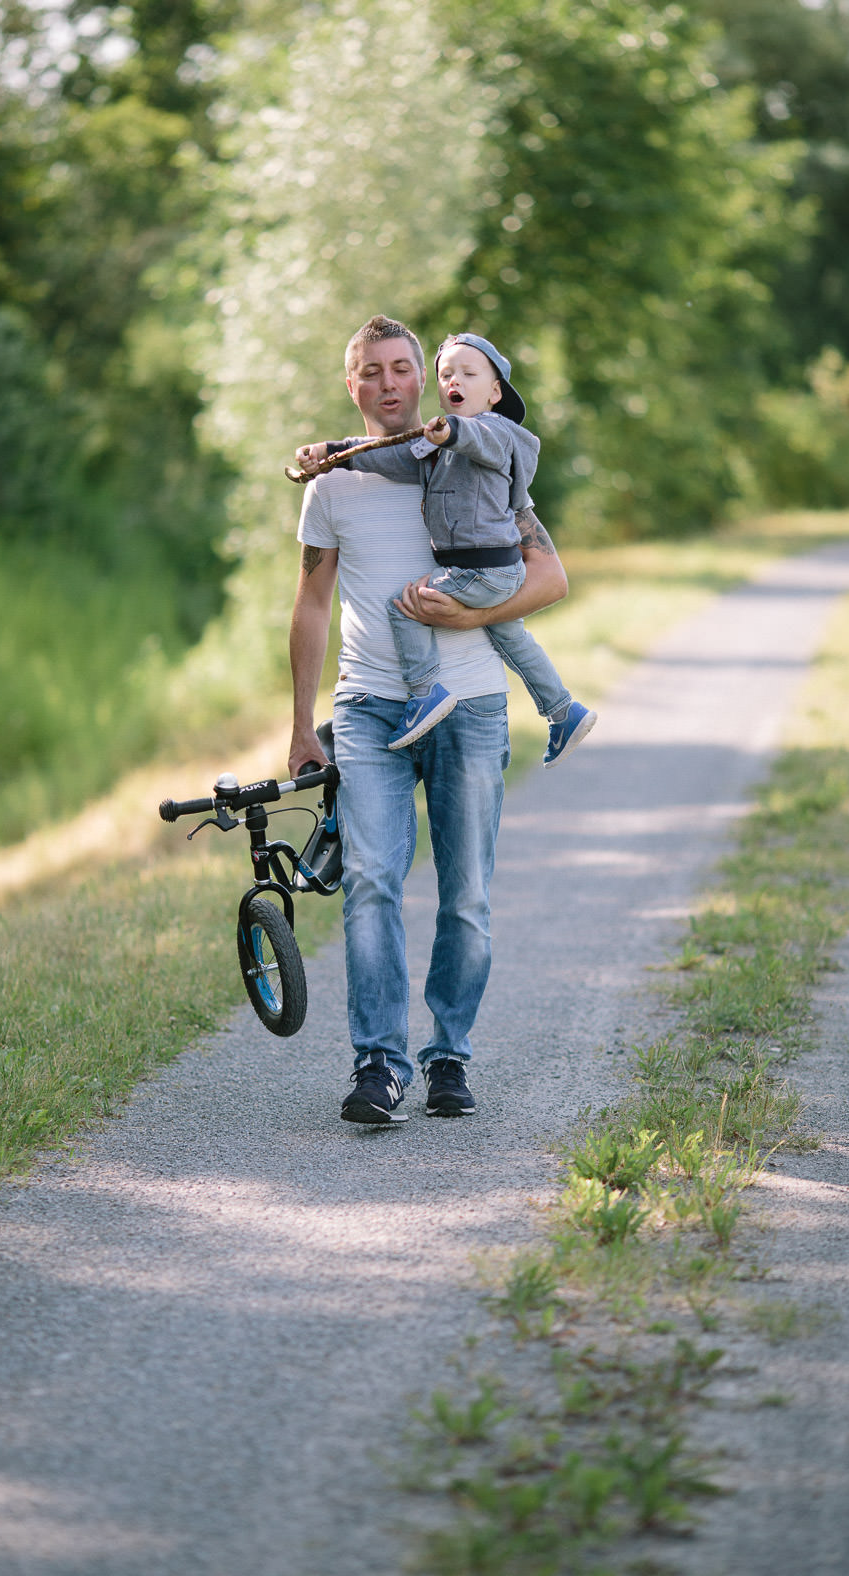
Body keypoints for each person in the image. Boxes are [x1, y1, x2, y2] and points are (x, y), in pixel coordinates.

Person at [288, 314, 569, 1126]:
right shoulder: (332, 479)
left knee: (466, 895)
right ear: (353, 385)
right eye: (370, 371)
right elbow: (309, 606)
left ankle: (449, 1056)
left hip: (472, 707)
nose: (387, 383)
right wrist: (303, 725)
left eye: (401, 367)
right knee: (371, 878)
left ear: (424, 376)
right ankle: (379, 1061)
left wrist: (463, 620)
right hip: (371, 709)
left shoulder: (474, 455)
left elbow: (549, 577)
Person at [297, 331, 596, 765]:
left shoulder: (497, 433)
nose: (454, 380)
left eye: (468, 373)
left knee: (408, 605)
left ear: (495, 392)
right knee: (513, 636)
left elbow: (482, 440)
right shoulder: (433, 450)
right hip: (486, 576)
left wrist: (452, 430)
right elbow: (391, 458)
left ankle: (424, 693)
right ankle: (563, 710)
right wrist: (332, 453)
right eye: (448, 374)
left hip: (482, 570)